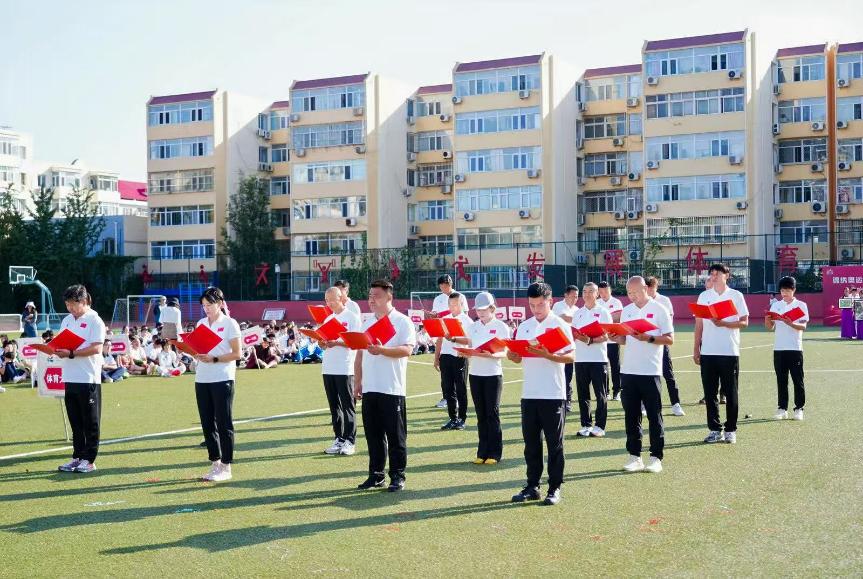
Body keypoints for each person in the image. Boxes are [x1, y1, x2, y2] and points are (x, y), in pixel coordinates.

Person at [508, 282, 575, 506]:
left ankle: (554, 488)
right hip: (529, 393)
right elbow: (518, 357)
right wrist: (513, 355)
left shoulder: (559, 325)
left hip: (553, 393)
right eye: (532, 305)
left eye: (540, 305)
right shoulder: (524, 326)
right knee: (531, 444)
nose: (536, 309)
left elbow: (571, 356)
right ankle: (532, 486)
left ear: (550, 302)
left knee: (554, 445)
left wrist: (548, 355)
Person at [354, 279, 416, 492]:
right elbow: (360, 354)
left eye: (376, 296)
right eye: (370, 296)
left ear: (389, 296)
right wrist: (358, 382)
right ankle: (376, 475)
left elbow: (407, 350)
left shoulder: (402, 321)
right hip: (370, 387)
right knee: (373, 435)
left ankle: (397, 475)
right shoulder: (367, 322)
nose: (371, 300)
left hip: (392, 387)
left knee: (396, 436)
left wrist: (382, 351)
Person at [610, 276, 674, 473]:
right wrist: (615, 337)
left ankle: (656, 457)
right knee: (631, 416)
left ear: (645, 289)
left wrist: (649, 338)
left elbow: (670, 339)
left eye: (635, 292)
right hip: (629, 371)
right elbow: (625, 340)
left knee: (654, 416)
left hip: (650, 371)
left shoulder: (659, 309)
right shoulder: (627, 310)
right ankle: (634, 456)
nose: (632, 296)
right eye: (629, 293)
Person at [694, 263, 749, 445]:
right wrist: (696, 348)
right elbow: (699, 325)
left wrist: (724, 323)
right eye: (712, 273)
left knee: (731, 393)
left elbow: (744, 322)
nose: (714, 276)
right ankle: (714, 429)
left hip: (729, 351)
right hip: (708, 352)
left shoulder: (736, 295)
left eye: (718, 273)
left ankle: (731, 430)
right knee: (710, 394)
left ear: (727, 275)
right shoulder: (704, 296)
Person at [55, 285, 107, 474]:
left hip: (88, 378)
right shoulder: (67, 320)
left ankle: (89, 460)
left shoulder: (95, 320)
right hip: (70, 376)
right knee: (75, 421)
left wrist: (71, 353)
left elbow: (97, 348)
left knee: (90, 422)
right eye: (67, 304)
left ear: (84, 301)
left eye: (73, 304)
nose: (70, 308)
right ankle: (77, 457)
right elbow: (61, 342)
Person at [193, 287, 242, 482]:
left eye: (210, 304)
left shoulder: (230, 323)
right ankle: (215, 462)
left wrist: (214, 358)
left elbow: (237, 354)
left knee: (224, 423)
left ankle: (226, 466)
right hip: (202, 378)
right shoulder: (201, 323)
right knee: (207, 423)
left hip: (222, 377)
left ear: (220, 304)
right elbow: (197, 347)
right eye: (204, 305)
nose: (206, 308)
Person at [461, 292, 510, 464]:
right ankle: (482, 452)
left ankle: (495, 453)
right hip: (475, 375)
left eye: (484, 309)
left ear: (492, 308)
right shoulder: (473, 327)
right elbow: (470, 347)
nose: (480, 313)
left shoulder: (501, 327)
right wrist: (465, 352)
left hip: (493, 375)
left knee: (492, 413)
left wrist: (493, 355)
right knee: (480, 414)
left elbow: (505, 352)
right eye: (478, 310)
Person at [319, 286, 361, 456]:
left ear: (341, 298)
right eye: (326, 300)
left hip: (345, 368)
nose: (329, 303)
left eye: (332, 299)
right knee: (334, 407)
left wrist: (336, 342)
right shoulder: (328, 318)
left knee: (347, 406)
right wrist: (322, 342)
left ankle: (350, 440)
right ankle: (339, 438)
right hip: (328, 367)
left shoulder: (352, 317)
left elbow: (356, 342)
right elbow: (324, 343)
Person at [570, 282, 612, 437]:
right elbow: (573, 333)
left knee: (600, 394)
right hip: (580, 359)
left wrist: (590, 340)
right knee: (583, 394)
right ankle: (586, 424)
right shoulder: (578, 313)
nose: (587, 294)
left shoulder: (603, 312)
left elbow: (607, 336)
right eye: (584, 291)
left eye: (590, 291)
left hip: (598, 359)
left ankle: (600, 426)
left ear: (597, 294)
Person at [766, 276, 809, 421]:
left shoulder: (801, 305)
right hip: (779, 348)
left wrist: (790, 323)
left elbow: (803, 326)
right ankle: (782, 408)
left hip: (795, 348)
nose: (784, 293)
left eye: (787, 290)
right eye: (782, 290)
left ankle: (799, 408)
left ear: (794, 290)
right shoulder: (776, 306)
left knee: (798, 379)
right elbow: (770, 327)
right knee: (781, 380)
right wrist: (767, 320)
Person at [428, 274, 470, 409]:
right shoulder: (438, 299)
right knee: (445, 375)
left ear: (450, 284)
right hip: (443, 335)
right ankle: (446, 397)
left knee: (459, 378)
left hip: (458, 336)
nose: (443, 288)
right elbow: (436, 317)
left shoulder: (460, 296)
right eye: (441, 286)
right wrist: (433, 316)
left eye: (445, 285)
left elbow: (464, 315)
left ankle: (459, 405)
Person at [645, 276, 684, 417]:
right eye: (647, 288)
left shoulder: (664, 301)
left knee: (668, 374)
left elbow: (669, 321)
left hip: (661, 342)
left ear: (656, 287)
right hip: (645, 343)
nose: (649, 290)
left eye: (651, 288)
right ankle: (644, 404)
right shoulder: (642, 302)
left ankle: (676, 404)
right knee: (646, 375)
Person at [434, 292, 473, 430]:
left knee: (461, 389)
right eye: (450, 304)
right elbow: (439, 339)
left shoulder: (468, 321)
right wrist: (436, 357)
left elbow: (470, 341)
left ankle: (462, 419)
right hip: (445, 357)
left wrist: (454, 339)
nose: (453, 307)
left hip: (460, 356)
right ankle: (453, 418)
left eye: (455, 304)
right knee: (448, 389)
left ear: (461, 304)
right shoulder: (444, 319)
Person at [552, 285, 579, 412]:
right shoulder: (558, 305)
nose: (575, 299)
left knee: (568, 374)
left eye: (577, 297)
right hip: (557, 345)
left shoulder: (577, 310)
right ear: (566, 295)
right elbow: (563, 317)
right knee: (557, 373)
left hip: (570, 346)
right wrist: (580, 319)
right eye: (573, 296)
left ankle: (567, 400)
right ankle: (557, 399)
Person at [597, 281, 624, 401]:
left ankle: (617, 391)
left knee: (615, 366)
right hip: (601, 340)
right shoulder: (597, 303)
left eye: (605, 291)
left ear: (610, 290)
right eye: (601, 292)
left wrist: (604, 320)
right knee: (603, 367)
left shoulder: (616, 302)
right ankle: (606, 392)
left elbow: (619, 318)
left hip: (613, 339)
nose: (603, 294)